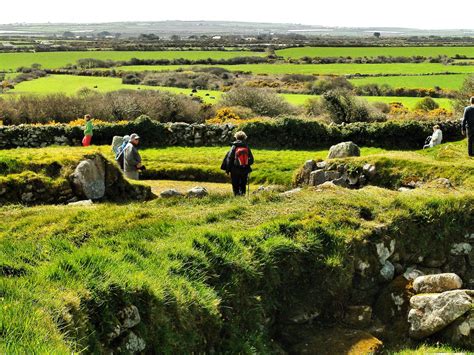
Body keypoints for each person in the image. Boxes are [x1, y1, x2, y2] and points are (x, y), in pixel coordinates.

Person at [221, 131, 254, 196]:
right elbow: (252, 160)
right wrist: (246, 164)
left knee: (235, 184)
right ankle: (242, 196)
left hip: (234, 169)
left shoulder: (234, 146)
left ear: (236, 137)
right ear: (244, 137)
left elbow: (230, 158)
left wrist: (227, 170)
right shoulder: (246, 147)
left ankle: (236, 197)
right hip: (245, 169)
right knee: (243, 184)